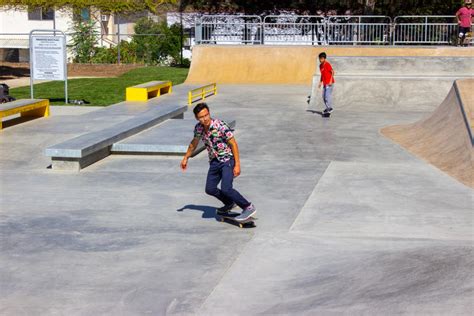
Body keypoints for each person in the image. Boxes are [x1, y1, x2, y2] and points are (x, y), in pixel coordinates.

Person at [180, 103, 256, 221]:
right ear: (197, 118)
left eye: (206, 115)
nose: (205, 119)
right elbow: (194, 143)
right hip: (214, 162)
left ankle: (248, 206)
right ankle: (229, 203)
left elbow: (233, 144)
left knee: (226, 188)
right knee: (210, 189)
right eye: (201, 117)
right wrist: (186, 158)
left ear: (209, 113)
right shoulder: (198, 128)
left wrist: (237, 164)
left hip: (227, 160)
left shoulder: (220, 125)